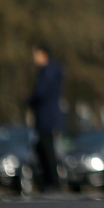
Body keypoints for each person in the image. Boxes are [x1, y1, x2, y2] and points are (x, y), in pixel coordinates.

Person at [27, 44, 64, 191]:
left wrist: (30, 100)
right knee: (44, 148)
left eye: (35, 54)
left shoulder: (47, 71)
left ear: (43, 54)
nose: (34, 58)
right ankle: (50, 181)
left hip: (46, 116)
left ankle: (51, 182)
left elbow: (41, 92)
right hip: (48, 116)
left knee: (47, 150)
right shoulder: (53, 70)